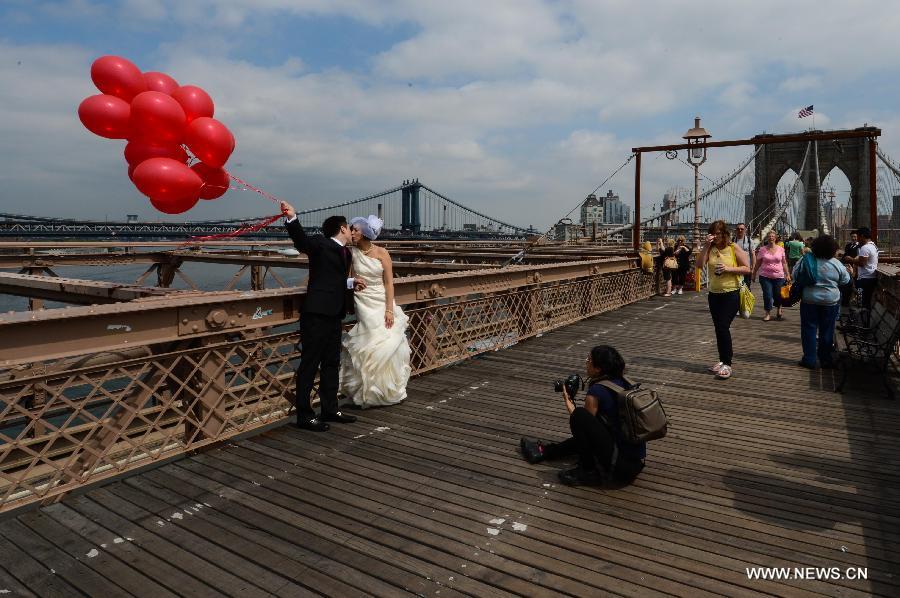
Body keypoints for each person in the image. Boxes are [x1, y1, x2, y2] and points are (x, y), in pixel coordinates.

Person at [281, 201, 362, 432]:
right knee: (309, 364)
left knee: (331, 363)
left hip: (334, 313)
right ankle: (304, 416)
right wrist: (292, 218)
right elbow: (301, 242)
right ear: (342, 229)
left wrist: (351, 282)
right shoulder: (320, 243)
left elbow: (332, 277)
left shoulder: (345, 252)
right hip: (316, 314)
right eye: (349, 228)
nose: (351, 231)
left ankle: (330, 409)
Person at [519, 346, 646, 486]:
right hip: (635, 464)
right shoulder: (625, 382)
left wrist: (568, 401)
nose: (586, 362)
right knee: (592, 427)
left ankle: (587, 470)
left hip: (618, 467)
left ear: (598, 368)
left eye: (589, 359)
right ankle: (544, 451)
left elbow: (582, 425)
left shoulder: (597, 390)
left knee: (579, 415)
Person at [340, 215, 412, 407]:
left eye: (355, 229)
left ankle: (385, 390)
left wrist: (389, 309)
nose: (351, 232)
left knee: (387, 342)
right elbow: (346, 277)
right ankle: (367, 391)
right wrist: (351, 284)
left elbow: (389, 283)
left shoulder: (382, 253)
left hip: (381, 301)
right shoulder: (350, 253)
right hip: (363, 301)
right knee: (369, 341)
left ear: (363, 232)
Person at [698, 220, 751, 380]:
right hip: (714, 294)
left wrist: (728, 269)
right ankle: (722, 361)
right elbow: (700, 265)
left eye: (718, 233)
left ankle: (727, 363)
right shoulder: (711, 248)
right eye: (712, 233)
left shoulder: (733, 247)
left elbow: (747, 268)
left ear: (725, 234)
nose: (715, 236)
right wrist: (706, 246)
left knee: (722, 327)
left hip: (731, 293)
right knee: (718, 328)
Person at [795, 235, 850, 369]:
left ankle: (809, 359)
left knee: (809, 329)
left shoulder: (806, 260)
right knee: (827, 330)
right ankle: (825, 359)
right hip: (830, 302)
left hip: (809, 300)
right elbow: (845, 281)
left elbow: (795, 275)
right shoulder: (836, 263)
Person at [752, 230, 791, 322]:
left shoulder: (781, 249)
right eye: (769, 236)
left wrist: (788, 274)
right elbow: (758, 263)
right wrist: (753, 274)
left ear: (775, 238)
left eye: (773, 236)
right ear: (767, 238)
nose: (771, 238)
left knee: (778, 295)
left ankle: (779, 308)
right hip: (765, 276)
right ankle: (767, 313)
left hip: (779, 276)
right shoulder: (762, 249)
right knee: (767, 295)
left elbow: (784, 263)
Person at [843, 227, 878, 314]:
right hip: (871, 277)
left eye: (858, 237)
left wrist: (850, 259)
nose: (857, 239)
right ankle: (865, 322)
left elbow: (862, 263)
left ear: (862, 236)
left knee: (861, 302)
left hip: (864, 279)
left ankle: (859, 324)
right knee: (866, 302)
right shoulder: (873, 245)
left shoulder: (865, 248)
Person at [840, 232, 859, 308]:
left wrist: (852, 259)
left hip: (855, 267)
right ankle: (846, 301)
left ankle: (854, 299)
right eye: (852, 237)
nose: (853, 238)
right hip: (847, 267)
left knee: (854, 283)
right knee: (847, 283)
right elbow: (845, 255)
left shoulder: (860, 246)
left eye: (855, 236)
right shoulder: (848, 245)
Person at [733, 223, 754, 287]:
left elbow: (753, 255)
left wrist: (752, 269)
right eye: (738, 229)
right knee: (736, 287)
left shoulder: (749, 241)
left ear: (745, 230)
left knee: (746, 288)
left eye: (742, 229)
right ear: (736, 230)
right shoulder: (732, 240)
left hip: (746, 269)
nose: (740, 230)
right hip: (735, 268)